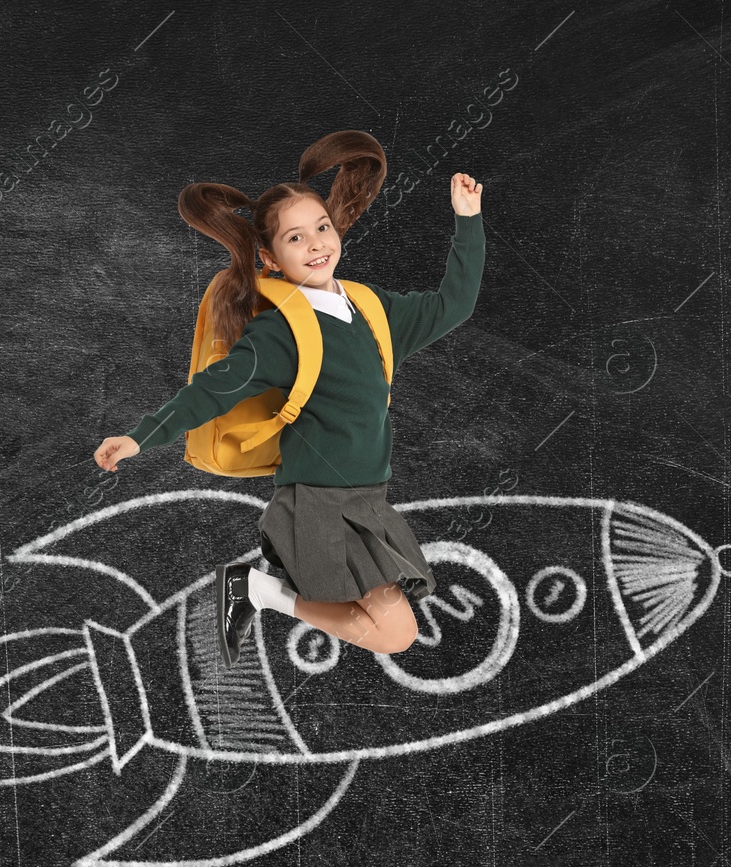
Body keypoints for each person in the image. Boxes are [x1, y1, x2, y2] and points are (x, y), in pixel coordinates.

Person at [92, 129, 486, 668]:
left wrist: (467, 219)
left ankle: (252, 589)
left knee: (392, 628)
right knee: (393, 634)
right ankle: (258, 592)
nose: (317, 244)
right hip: (317, 502)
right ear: (269, 258)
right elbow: (211, 389)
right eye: (295, 238)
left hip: (369, 498)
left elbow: (454, 304)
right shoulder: (280, 334)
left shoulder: (373, 308)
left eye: (321, 227)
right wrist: (138, 437)